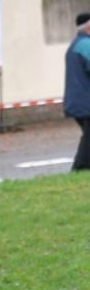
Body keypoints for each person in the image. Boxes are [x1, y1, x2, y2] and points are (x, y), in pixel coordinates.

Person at [63, 12, 90, 172]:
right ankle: (79, 169)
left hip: (79, 101)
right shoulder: (85, 45)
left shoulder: (77, 44)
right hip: (85, 102)